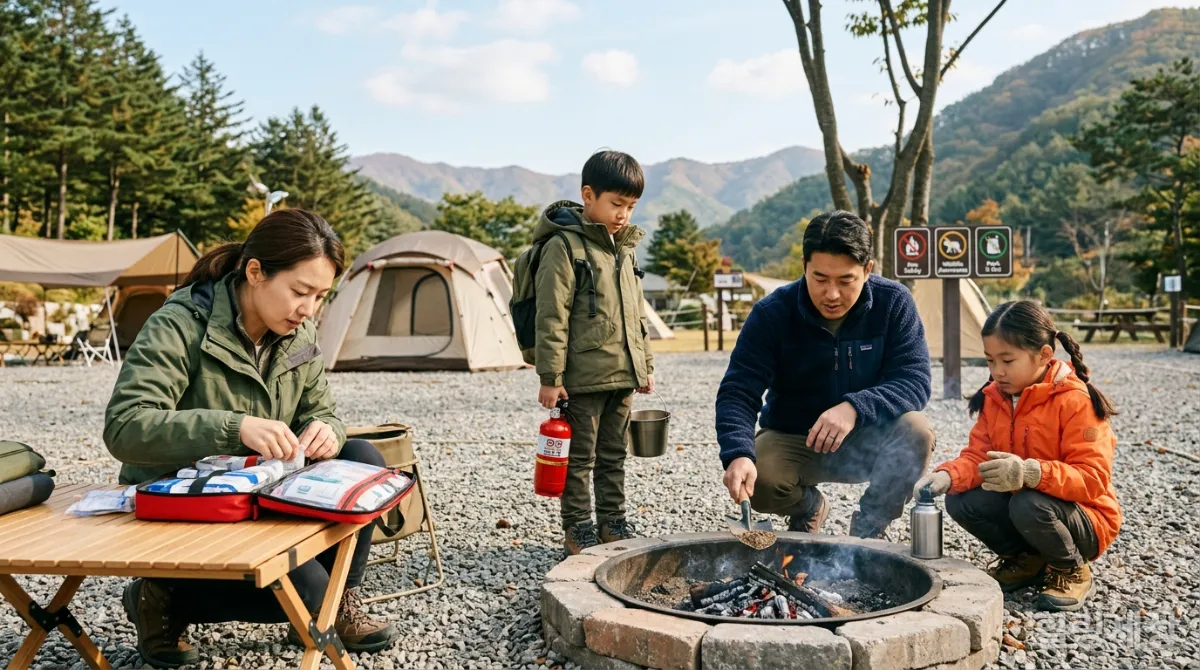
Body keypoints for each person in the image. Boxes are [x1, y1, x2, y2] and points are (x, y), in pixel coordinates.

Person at [103, 210, 396, 668]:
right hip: (189, 505)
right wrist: (234, 427)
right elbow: (125, 426)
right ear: (255, 272)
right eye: (300, 292)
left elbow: (321, 410)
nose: (308, 309)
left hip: (259, 493)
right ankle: (160, 597)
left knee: (363, 456)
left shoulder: (300, 332)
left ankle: (343, 597)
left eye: (320, 296)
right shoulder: (180, 324)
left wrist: (327, 431)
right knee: (310, 592)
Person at [716, 210, 934, 539]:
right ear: (804, 266)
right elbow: (738, 391)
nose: (832, 294)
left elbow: (915, 379)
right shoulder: (772, 314)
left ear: (868, 270)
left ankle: (869, 529)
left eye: (846, 280)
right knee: (761, 478)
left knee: (917, 430)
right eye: (819, 279)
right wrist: (737, 454)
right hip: (797, 438)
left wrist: (855, 407)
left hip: (868, 434)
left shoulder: (894, 303)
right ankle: (808, 508)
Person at [913, 300, 1121, 612]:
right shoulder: (996, 398)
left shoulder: (1075, 402)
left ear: (1044, 355)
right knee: (961, 499)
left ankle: (1071, 569)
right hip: (1031, 508)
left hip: (1085, 521)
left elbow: (1092, 480)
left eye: (1007, 360)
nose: (997, 371)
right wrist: (948, 475)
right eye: (990, 361)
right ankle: (1029, 560)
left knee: (1028, 502)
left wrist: (1031, 472)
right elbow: (978, 457)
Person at [533, 150, 655, 555]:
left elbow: (637, 312)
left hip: (622, 375)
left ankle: (613, 521)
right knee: (579, 458)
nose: (624, 214)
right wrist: (551, 378)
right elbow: (552, 315)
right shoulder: (564, 247)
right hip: (581, 378)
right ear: (588, 195)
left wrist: (645, 365)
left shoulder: (626, 249)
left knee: (614, 455)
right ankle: (578, 527)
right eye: (616, 204)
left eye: (631, 206)